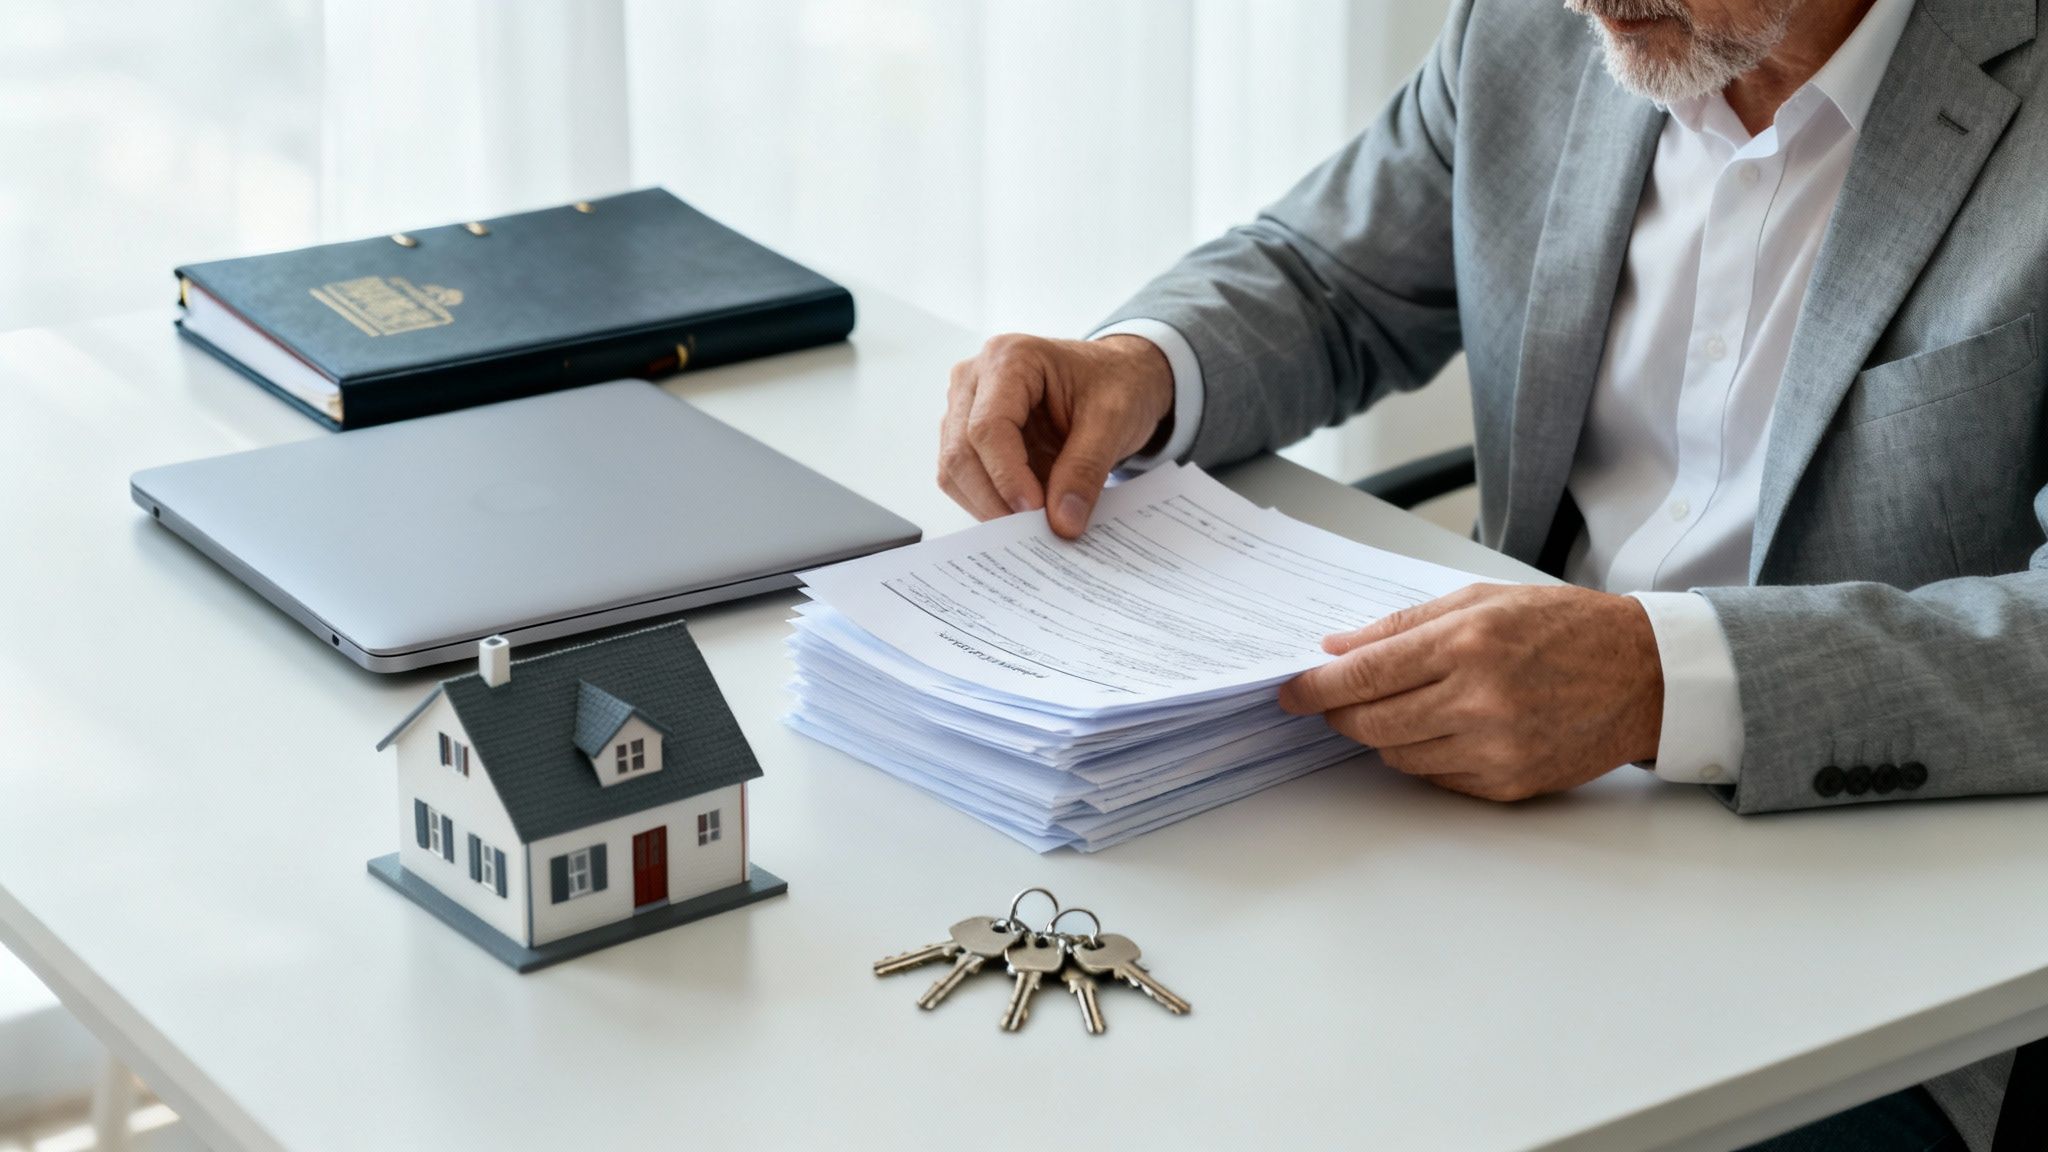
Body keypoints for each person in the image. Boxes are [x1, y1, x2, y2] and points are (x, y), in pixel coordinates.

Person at [935, 0, 2045, 1147]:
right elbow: (1329, 278)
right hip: (1495, 821)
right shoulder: (1529, 28)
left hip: (1878, 937)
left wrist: (1659, 679)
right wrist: (1136, 364)